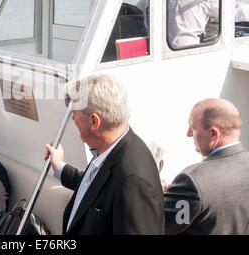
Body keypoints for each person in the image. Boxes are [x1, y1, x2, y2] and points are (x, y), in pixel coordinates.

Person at [45, 74, 164, 235]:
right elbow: (97, 188)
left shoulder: (133, 180)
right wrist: (59, 166)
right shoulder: (110, 149)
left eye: (75, 114)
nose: (72, 119)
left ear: (94, 121)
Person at [163, 98, 249, 235]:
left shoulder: (192, 181)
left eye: (193, 127)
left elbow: (161, 225)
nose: (189, 133)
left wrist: (155, 194)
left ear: (214, 134)